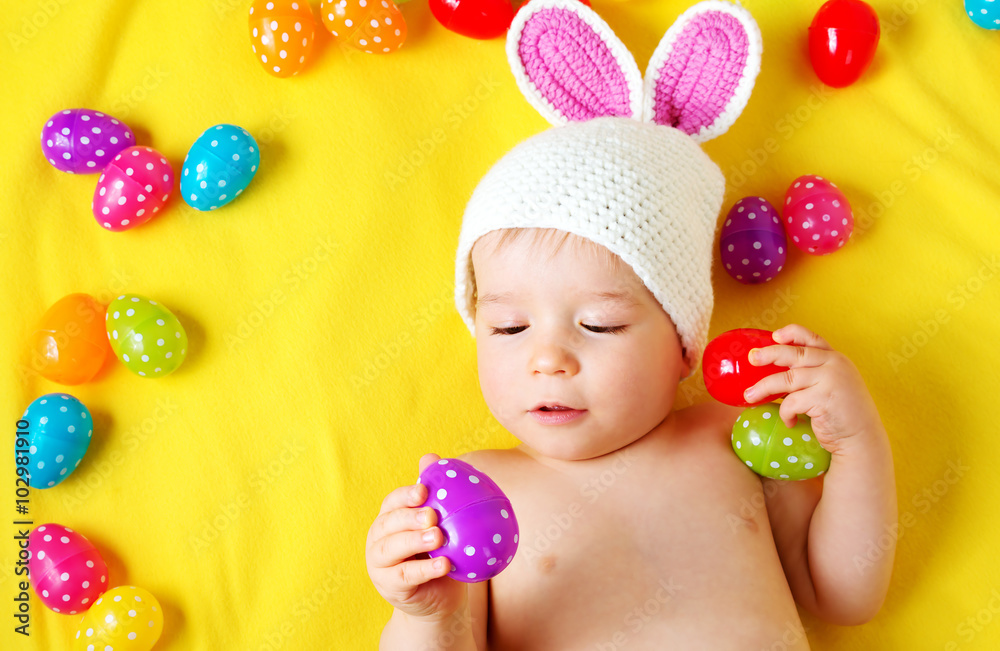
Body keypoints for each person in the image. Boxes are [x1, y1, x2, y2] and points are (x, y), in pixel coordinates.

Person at [366, 0, 897, 648]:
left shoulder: (737, 441)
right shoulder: (480, 490)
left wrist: (856, 442)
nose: (548, 358)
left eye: (599, 324)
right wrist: (425, 613)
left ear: (682, 346)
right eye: (508, 329)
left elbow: (843, 593)